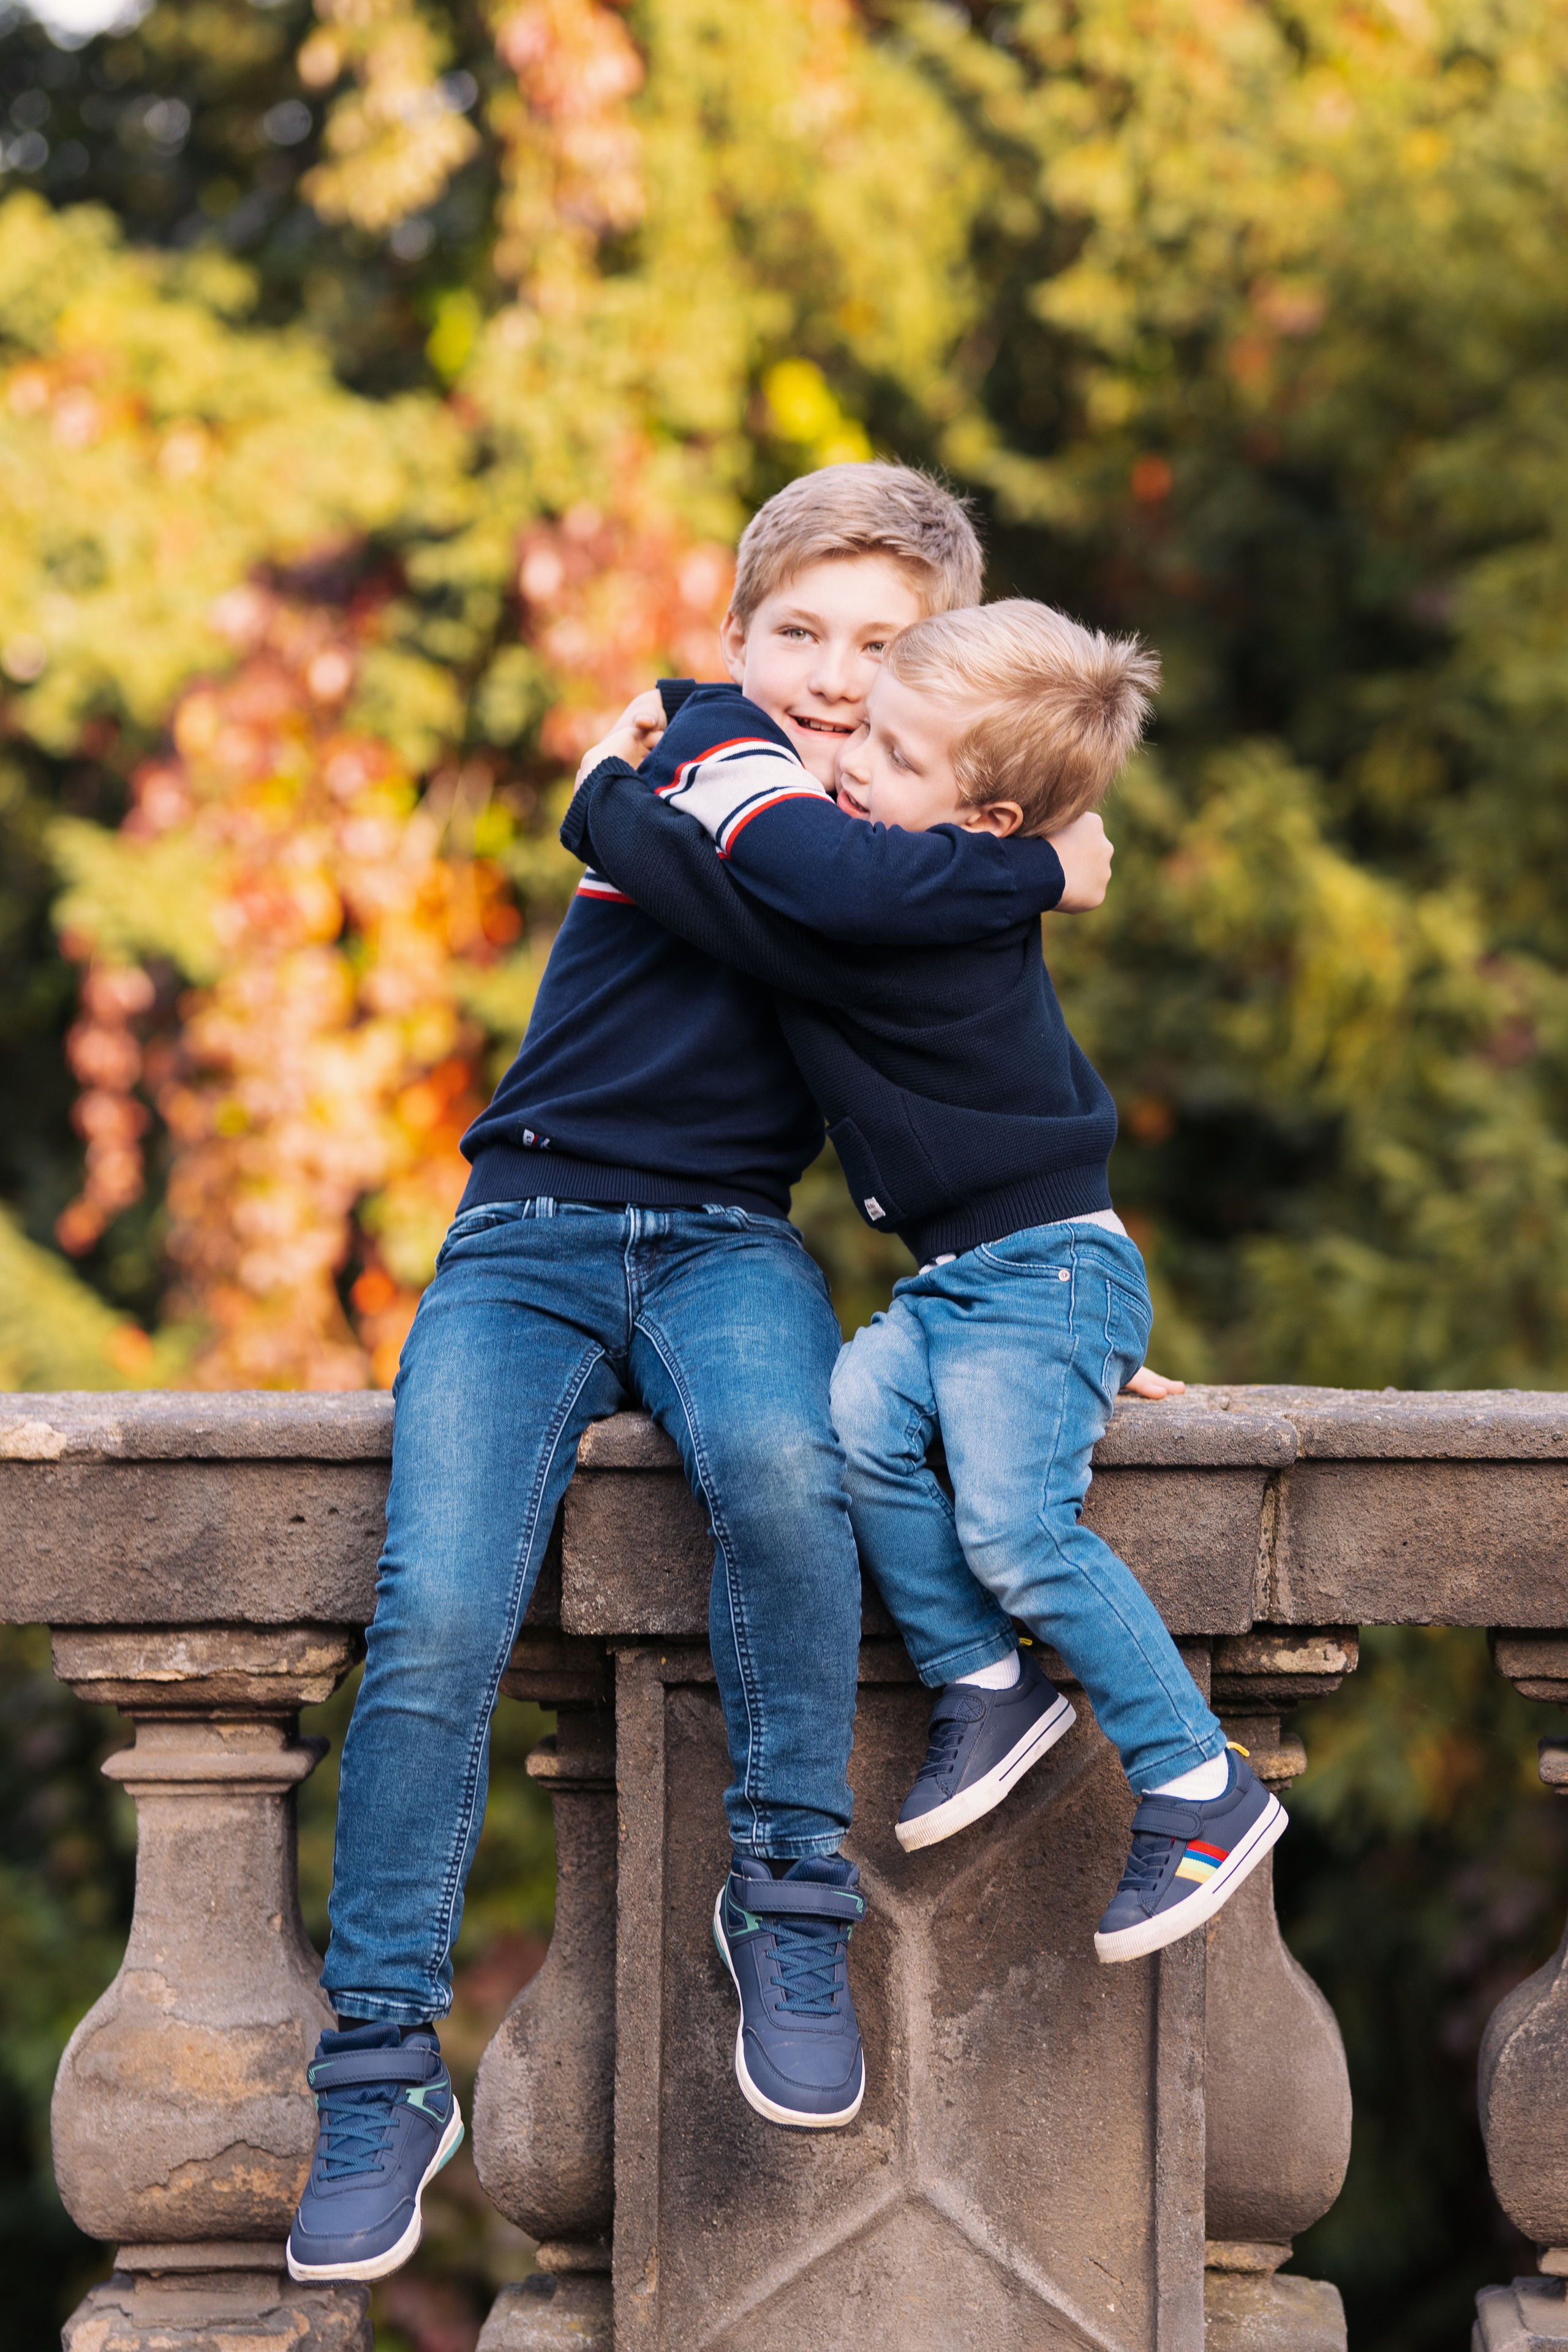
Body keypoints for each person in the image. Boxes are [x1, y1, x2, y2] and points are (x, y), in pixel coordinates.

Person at [287, 465, 1084, 2288]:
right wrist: (1032, 861)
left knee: (792, 1485)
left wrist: (1066, 1313)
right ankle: (383, 2061)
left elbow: (973, 1094)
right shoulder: (708, 750)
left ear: (936, 667)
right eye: (797, 630)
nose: (826, 670)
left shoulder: (897, 833)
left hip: (728, 1239)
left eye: (880, 645)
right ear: (736, 643)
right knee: (435, 1608)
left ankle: (788, 1893)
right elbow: (808, 910)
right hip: (530, 1229)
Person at [566, 596, 1286, 1986]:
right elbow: (756, 895)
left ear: (985, 831)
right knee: (851, 1430)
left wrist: (604, 800)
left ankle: (1197, 1784)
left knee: (1017, 1526)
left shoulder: (907, 912)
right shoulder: (922, 883)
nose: (848, 765)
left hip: (1040, 1275)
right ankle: (982, 1680)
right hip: (968, 1287)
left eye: (892, 757)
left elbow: (742, 896)